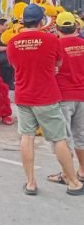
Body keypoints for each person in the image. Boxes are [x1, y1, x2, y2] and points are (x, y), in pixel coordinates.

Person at [7, 4, 84, 195]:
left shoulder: (13, 42)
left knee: (27, 137)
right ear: (42, 21)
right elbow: (58, 63)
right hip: (47, 96)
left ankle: (31, 183)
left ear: (23, 21)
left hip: (24, 96)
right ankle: (73, 182)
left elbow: (14, 65)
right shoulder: (51, 40)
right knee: (59, 139)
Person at [47, 12, 84, 185]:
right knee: (81, 136)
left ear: (58, 28)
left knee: (63, 138)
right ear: (76, 27)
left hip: (63, 97)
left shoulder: (55, 45)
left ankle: (66, 174)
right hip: (82, 96)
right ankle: (82, 172)